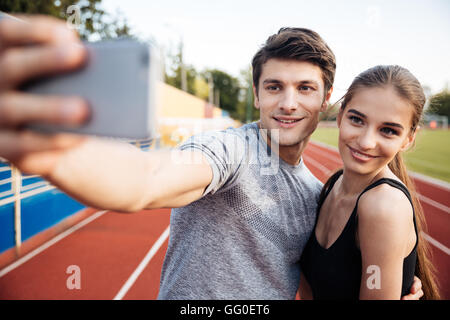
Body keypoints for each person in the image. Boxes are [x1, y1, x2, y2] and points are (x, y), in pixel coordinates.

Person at [0, 15, 423, 299]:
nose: (288, 103)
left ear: (326, 98)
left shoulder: (318, 194)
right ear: (256, 93)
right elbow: (148, 179)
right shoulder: (230, 150)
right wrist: (53, 153)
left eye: (305, 89)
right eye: (274, 87)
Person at [299, 65, 440, 300]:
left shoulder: (383, 207)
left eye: (388, 130)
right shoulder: (334, 185)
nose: (366, 142)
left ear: (408, 139)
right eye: (357, 119)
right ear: (341, 116)